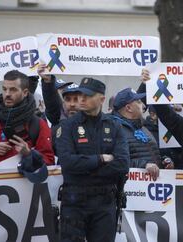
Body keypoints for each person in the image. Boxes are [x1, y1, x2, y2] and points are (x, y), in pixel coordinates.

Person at [55, 77, 129, 242]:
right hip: (74, 201)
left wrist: (85, 168)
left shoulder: (114, 126)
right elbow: (67, 162)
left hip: (104, 202)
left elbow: (122, 164)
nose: (82, 99)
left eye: (87, 95)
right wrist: (100, 159)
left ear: (102, 99)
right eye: (81, 94)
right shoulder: (67, 126)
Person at [0, 70, 55, 167]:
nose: (7, 94)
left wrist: (29, 154)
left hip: (26, 180)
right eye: (4, 89)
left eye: (13, 90)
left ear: (25, 92)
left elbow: (49, 160)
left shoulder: (37, 124)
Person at [112, 88, 173, 180]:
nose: (144, 106)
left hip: (150, 186)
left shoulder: (143, 128)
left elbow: (150, 154)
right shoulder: (115, 129)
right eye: (139, 102)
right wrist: (143, 165)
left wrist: (164, 161)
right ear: (128, 108)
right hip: (132, 189)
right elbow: (113, 161)